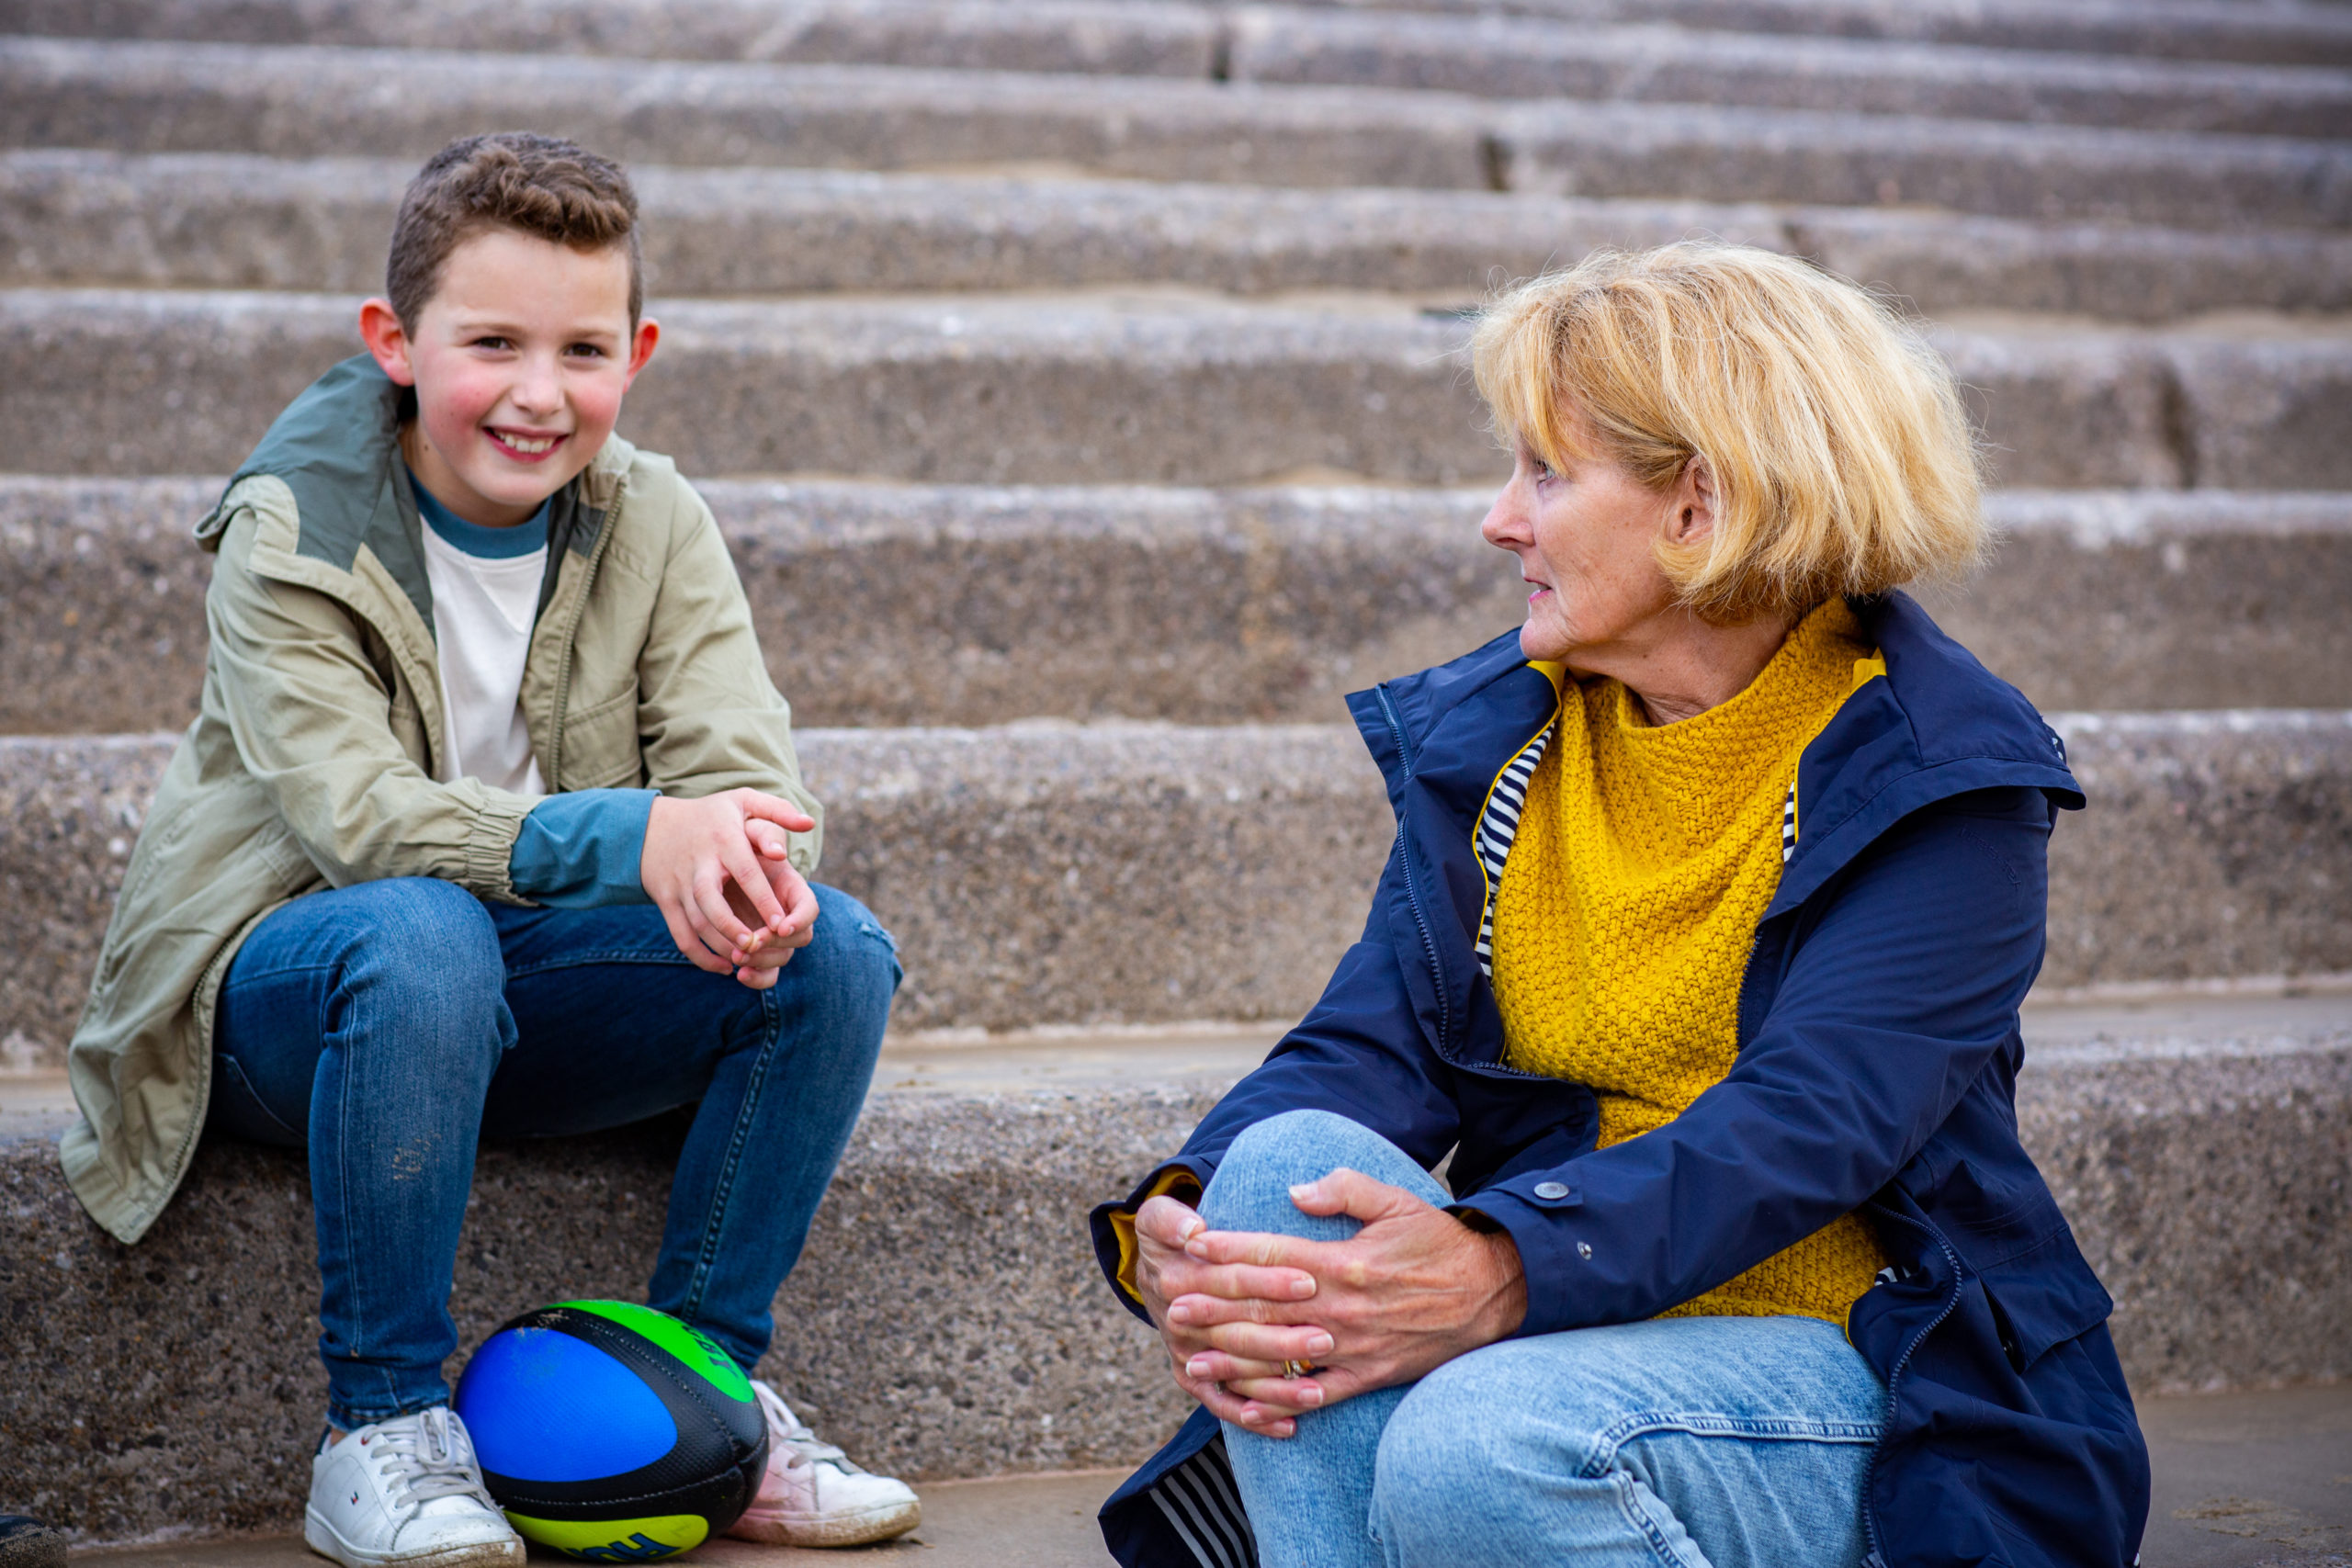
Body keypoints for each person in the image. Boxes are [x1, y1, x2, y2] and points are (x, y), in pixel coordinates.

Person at [1087, 243, 2150, 1568]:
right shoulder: (1508, 740)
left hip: (1863, 1367)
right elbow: (1375, 1041)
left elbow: (1804, 1128)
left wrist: (1502, 1267)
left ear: (1698, 504)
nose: (1499, 520)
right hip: (1578, 1312)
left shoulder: (1937, 775)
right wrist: (1183, 1233)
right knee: (1279, 1178)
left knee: (1486, 1436)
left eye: (1546, 472)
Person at [60, 133, 921, 1567]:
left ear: (637, 352)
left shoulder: (654, 516)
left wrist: (744, 871)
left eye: (583, 348)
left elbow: (743, 774)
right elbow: (364, 821)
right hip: (291, 998)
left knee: (833, 947)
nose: (539, 392)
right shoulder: (290, 530)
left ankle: (702, 1408)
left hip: (511, 993)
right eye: (493, 343)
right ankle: (382, 1427)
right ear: (394, 343)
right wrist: (640, 834)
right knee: (420, 928)